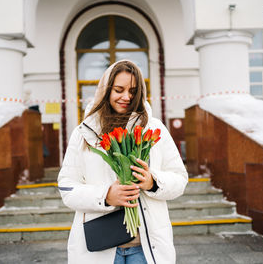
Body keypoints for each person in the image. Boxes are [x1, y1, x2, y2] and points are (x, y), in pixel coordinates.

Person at [58, 60, 188, 264]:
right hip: (100, 247)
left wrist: (152, 182)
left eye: (133, 91)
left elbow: (180, 179)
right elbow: (66, 187)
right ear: (106, 90)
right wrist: (106, 195)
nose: (126, 97)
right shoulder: (84, 133)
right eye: (119, 89)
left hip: (146, 250)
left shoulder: (155, 129)